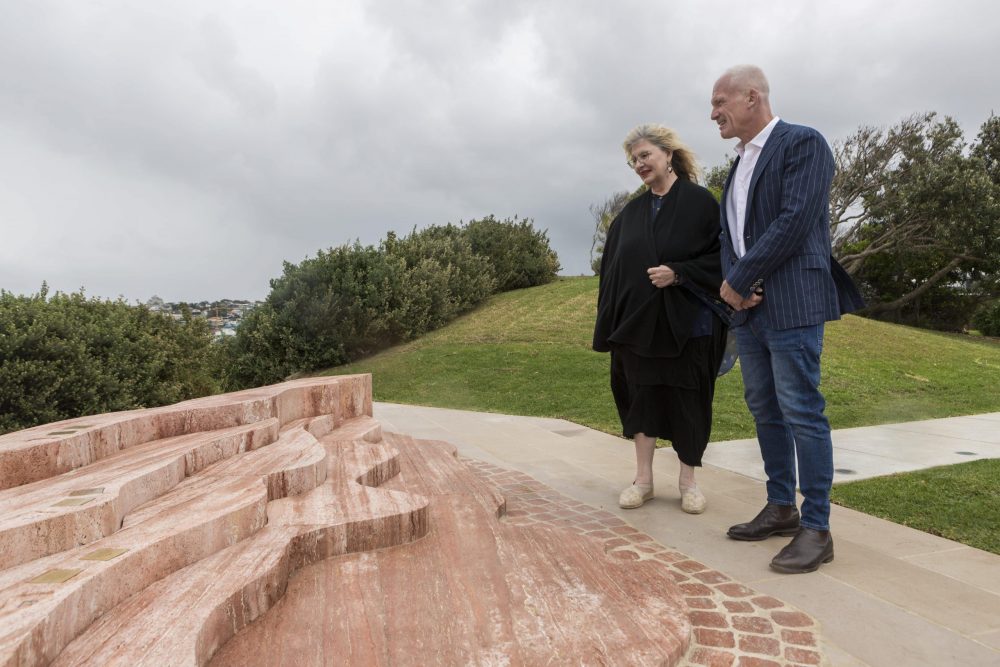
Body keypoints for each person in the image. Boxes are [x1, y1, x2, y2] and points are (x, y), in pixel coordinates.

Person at [710, 65, 863, 573]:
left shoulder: (803, 144)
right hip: (750, 310)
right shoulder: (737, 165)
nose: (714, 113)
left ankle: (817, 528)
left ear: (752, 97)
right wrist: (735, 284)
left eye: (720, 102)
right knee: (764, 409)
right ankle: (781, 507)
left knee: (802, 410)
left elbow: (795, 220)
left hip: (793, 301)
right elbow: (731, 236)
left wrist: (743, 276)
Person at [593, 124, 729, 515]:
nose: (639, 164)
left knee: (689, 401)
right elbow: (613, 274)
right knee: (642, 399)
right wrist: (610, 326)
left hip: (691, 325)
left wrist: (679, 272)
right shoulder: (629, 215)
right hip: (639, 327)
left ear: (668, 154)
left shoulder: (702, 204)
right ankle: (643, 481)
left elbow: (723, 259)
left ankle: (688, 483)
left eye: (645, 155)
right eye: (634, 159)